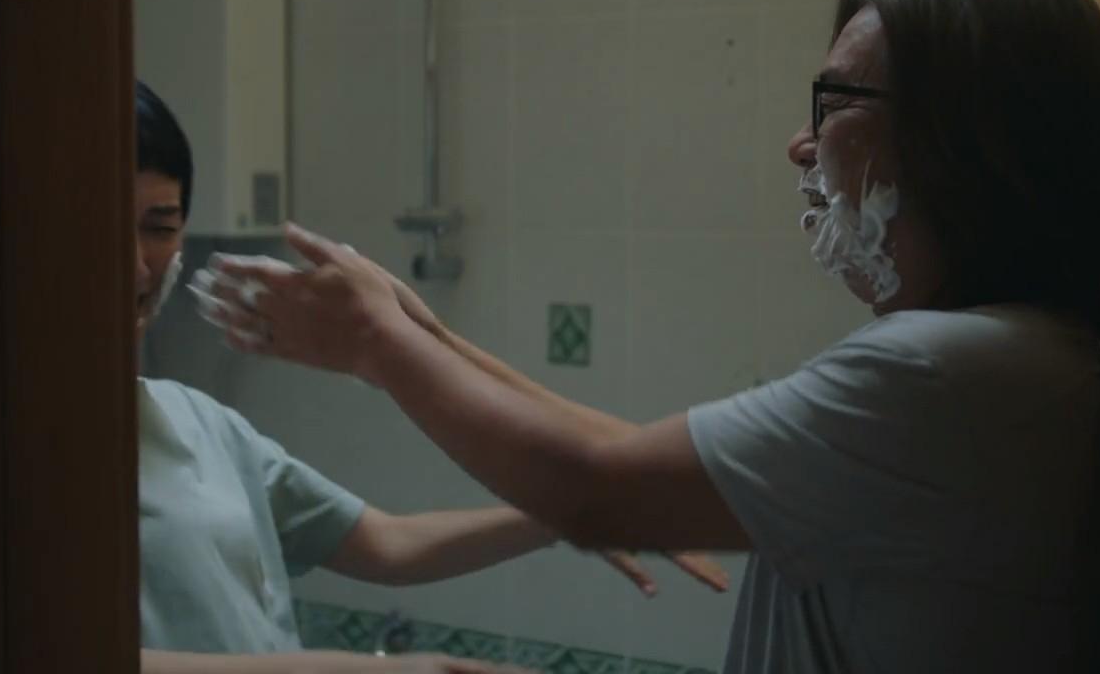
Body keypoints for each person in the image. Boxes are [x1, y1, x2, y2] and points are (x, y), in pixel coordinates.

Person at [200, 0, 1100, 672]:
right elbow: (629, 459)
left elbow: (598, 488)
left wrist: (376, 344)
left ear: (963, 132)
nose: (801, 144)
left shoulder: (945, 370)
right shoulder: (1016, 357)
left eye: (837, 103)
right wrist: (429, 338)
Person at [131, 81, 727, 674]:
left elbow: (386, 542)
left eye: (159, 227)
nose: (136, 266)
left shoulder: (201, 423)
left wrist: (567, 514)